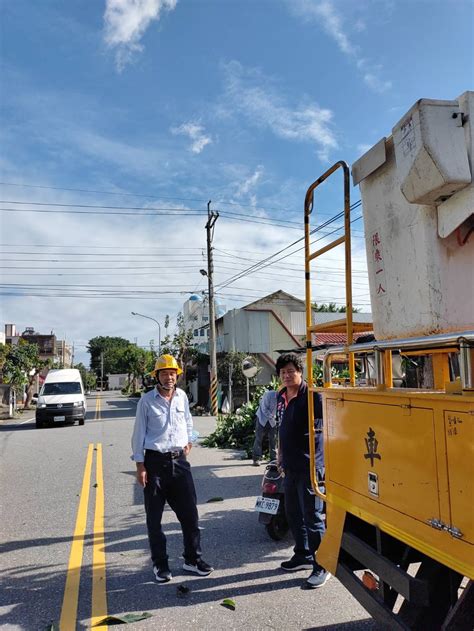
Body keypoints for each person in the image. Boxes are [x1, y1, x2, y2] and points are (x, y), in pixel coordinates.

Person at [131, 354, 214, 583]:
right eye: (164, 373)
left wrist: (189, 440)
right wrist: (140, 466)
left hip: (180, 463)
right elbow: (138, 434)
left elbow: (187, 421)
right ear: (156, 376)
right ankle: (160, 565)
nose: (169, 377)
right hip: (155, 463)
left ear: (177, 375)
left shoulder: (182, 397)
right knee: (154, 519)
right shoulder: (146, 401)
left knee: (190, 516)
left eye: (172, 373)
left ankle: (192, 559)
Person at [275, 353, 329, 590]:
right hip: (290, 466)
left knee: (313, 517)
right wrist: (279, 454)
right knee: (293, 514)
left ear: (300, 372)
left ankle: (323, 566)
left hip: (310, 467)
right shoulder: (281, 396)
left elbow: (331, 423)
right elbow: (281, 428)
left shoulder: (313, 397)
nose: (287, 375)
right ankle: (303, 555)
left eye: (291, 371)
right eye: (283, 372)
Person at [252, 388, 278, 466]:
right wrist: (272, 417)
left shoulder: (284, 398)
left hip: (272, 420)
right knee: (259, 438)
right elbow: (264, 408)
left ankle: (273, 459)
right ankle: (256, 459)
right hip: (262, 419)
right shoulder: (269, 395)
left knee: (273, 439)